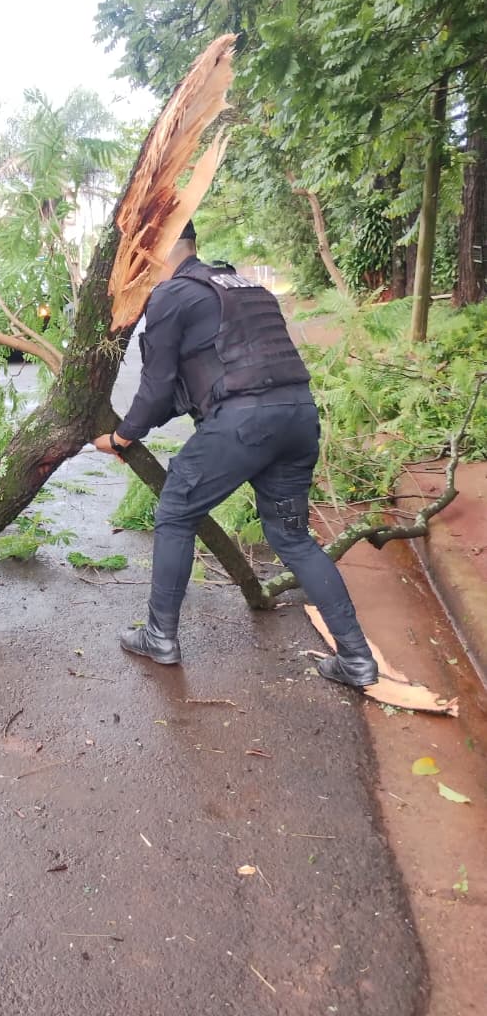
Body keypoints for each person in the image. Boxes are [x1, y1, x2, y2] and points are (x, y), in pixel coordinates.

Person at [92, 221, 379, 690]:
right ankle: (356, 659)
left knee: (176, 512)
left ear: (156, 249)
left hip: (244, 423)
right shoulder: (246, 285)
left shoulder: (171, 295)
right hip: (298, 417)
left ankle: (160, 635)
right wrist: (134, 430)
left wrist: (122, 438)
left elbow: (157, 386)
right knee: (294, 539)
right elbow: (196, 381)